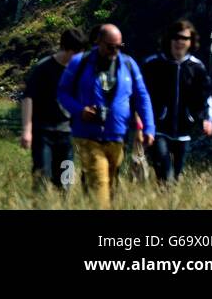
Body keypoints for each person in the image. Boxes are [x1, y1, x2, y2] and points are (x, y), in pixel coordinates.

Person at [57, 24, 155, 209]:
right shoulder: (80, 62)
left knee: (110, 188)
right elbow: (63, 93)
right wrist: (80, 110)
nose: (115, 51)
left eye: (119, 46)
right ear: (99, 43)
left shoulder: (128, 64)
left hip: (117, 136)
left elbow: (142, 96)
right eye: (111, 46)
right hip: (87, 136)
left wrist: (149, 127)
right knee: (100, 184)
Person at [142, 19, 212, 185]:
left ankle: (166, 202)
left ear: (191, 42)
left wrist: (208, 119)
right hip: (158, 129)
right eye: (175, 37)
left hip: (184, 131)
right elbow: (138, 94)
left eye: (184, 38)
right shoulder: (153, 64)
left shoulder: (197, 67)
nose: (179, 41)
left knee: (175, 177)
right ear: (169, 39)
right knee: (165, 175)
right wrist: (140, 121)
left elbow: (207, 95)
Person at [21, 28, 89, 193]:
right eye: (76, 54)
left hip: (67, 134)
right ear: (66, 49)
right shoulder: (42, 68)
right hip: (43, 132)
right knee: (41, 177)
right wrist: (27, 131)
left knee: (66, 181)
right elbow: (28, 98)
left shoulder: (78, 71)